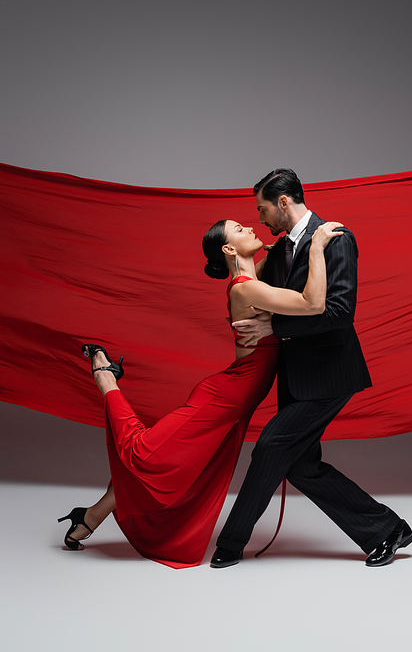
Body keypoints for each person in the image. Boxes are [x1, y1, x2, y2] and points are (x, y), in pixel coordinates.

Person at [57, 217, 343, 569]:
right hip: (225, 396)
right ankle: (106, 378)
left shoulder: (252, 277)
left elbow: (269, 257)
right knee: (146, 455)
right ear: (228, 249)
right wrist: (316, 244)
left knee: (179, 466)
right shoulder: (243, 288)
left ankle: (90, 516)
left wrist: (280, 247)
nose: (251, 229)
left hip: (236, 401)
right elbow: (313, 302)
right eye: (240, 230)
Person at [211, 169, 412, 569]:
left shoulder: (336, 238)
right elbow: (265, 298)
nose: (261, 218)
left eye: (263, 208)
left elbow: (339, 312)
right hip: (294, 374)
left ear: (283, 202)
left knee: (270, 446)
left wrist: (273, 325)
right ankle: (386, 530)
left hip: (330, 370)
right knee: (301, 466)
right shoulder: (277, 249)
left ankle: (230, 543)